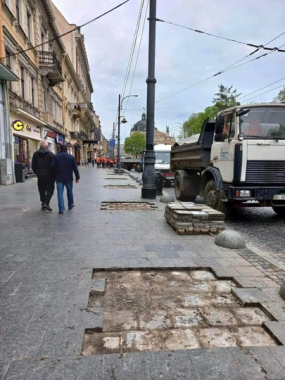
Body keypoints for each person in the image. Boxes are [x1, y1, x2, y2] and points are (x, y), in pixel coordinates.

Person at [51, 144, 80, 214]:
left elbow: (52, 166)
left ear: (60, 149)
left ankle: (61, 209)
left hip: (59, 178)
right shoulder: (71, 157)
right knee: (69, 192)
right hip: (68, 178)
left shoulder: (56, 156)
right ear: (67, 149)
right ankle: (70, 204)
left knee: (60, 194)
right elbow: (75, 168)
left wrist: (55, 173)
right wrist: (77, 177)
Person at [32, 140, 55, 211]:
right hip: (49, 176)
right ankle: (46, 203)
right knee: (50, 190)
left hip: (40, 175)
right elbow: (54, 165)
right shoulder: (51, 154)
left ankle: (43, 202)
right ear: (46, 146)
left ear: (40, 146)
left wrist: (37, 172)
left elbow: (33, 165)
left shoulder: (35, 154)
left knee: (41, 189)